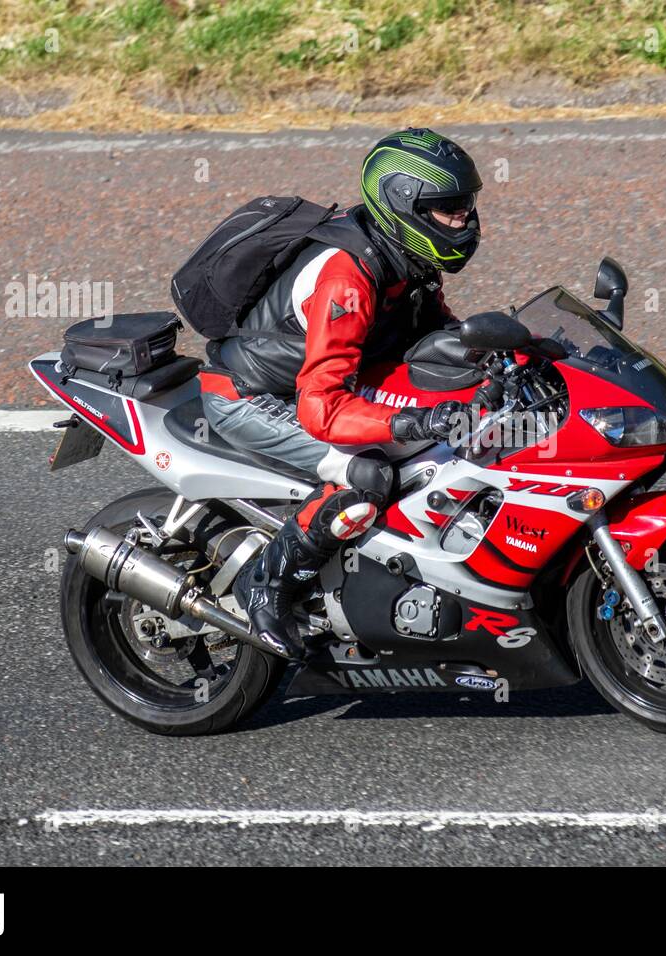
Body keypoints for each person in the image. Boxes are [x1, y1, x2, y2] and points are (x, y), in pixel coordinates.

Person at [198, 128, 482, 660]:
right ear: (403, 204)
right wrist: (409, 424)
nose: (463, 220)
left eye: (466, 206)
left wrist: (508, 352)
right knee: (368, 475)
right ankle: (269, 588)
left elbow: (437, 334)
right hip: (253, 397)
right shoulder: (347, 280)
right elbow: (320, 408)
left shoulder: (407, 261)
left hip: (328, 383)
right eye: (447, 208)